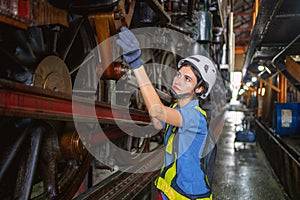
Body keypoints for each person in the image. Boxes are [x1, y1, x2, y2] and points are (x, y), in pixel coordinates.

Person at [117, 27, 217, 200]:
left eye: (187, 79)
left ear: (199, 89)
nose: (178, 80)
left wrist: (136, 64)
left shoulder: (195, 117)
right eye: (179, 74)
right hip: (170, 192)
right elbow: (157, 121)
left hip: (188, 196)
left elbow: (157, 110)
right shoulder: (177, 111)